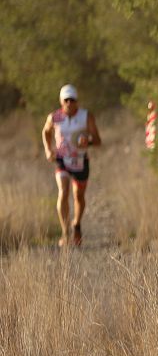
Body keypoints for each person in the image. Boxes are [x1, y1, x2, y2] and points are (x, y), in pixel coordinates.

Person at [41, 84, 101, 247]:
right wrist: (48, 149)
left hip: (80, 160)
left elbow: (98, 140)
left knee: (78, 196)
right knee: (63, 191)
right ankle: (65, 232)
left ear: (77, 101)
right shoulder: (54, 117)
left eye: (72, 100)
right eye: (66, 100)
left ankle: (77, 225)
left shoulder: (86, 116)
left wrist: (87, 142)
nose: (69, 103)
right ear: (61, 101)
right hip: (62, 160)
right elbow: (46, 131)